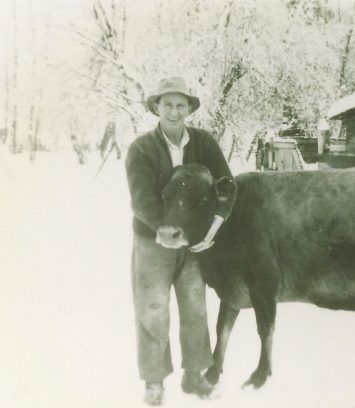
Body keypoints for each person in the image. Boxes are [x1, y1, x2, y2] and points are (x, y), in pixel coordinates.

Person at [125, 77, 233, 405]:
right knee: (153, 309)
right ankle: (154, 381)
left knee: (195, 308)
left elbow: (226, 183)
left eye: (180, 105)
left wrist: (216, 223)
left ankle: (194, 374)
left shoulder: (204, 143)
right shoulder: (142, 148)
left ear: (189, 109)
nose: (174, 111)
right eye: (167, 105)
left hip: (193, 245)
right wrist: (163, 228)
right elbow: (141, 197)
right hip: (152, 241)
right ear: (156, 107)